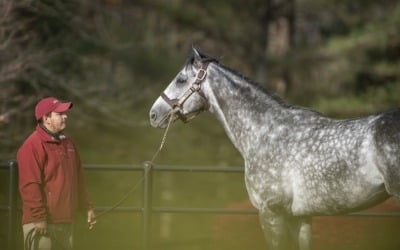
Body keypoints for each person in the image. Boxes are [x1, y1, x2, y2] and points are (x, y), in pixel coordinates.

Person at [17, 97, 96, 250]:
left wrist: (87, 207)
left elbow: (78, 179)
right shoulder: (32, 146)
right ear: (46, 118)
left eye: (64, 113)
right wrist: (39, 217)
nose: (65, 116)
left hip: (66, 222)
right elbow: (30, 185)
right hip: (42, 224)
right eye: (59, 114)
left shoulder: (69, 144)